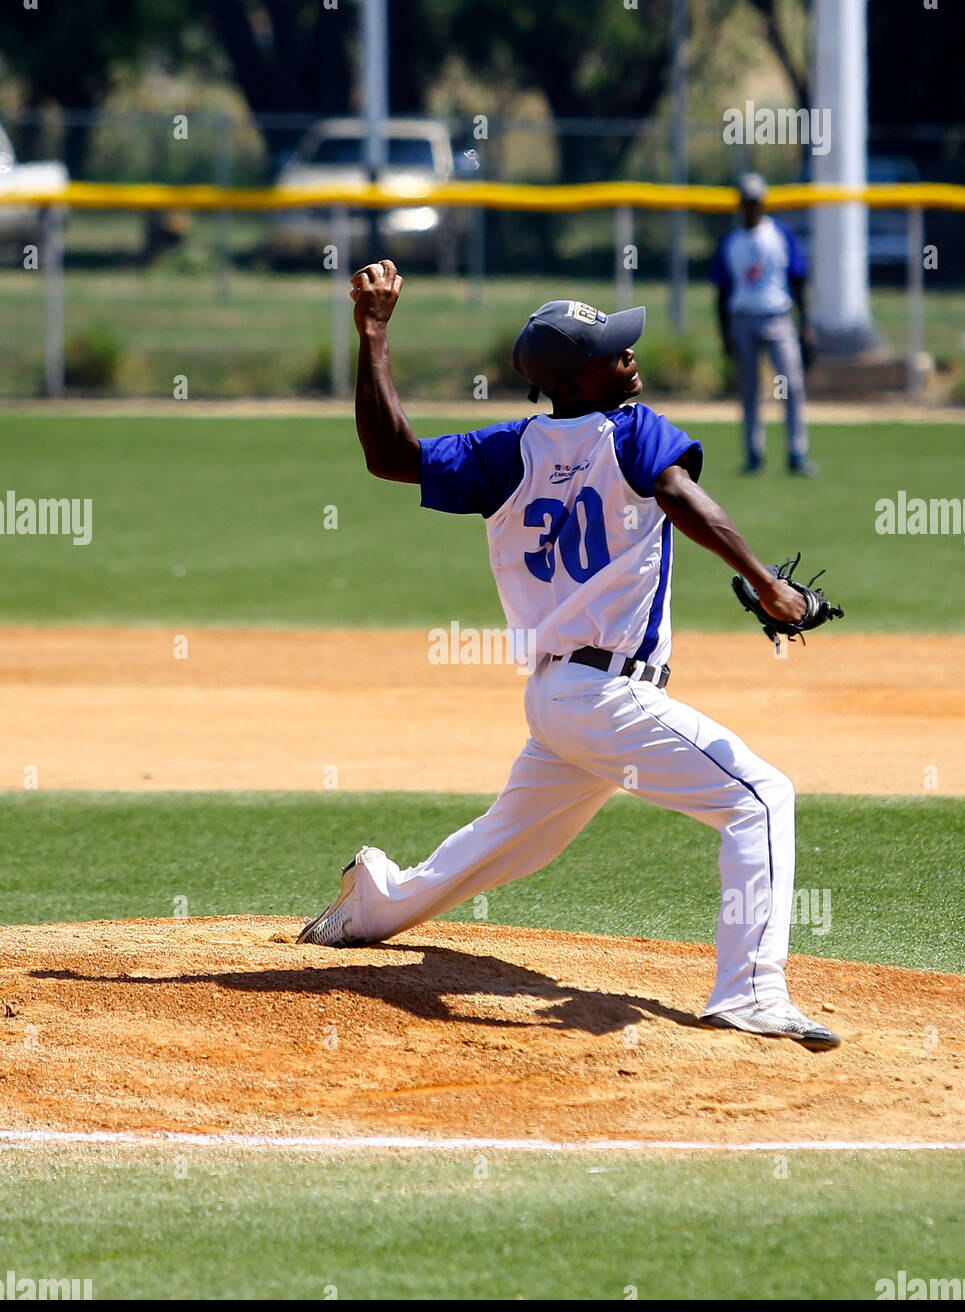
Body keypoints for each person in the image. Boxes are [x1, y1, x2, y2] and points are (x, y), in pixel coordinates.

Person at [300, 259, 840, 1052]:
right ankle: (750, 995)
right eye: (615, 351)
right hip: (605, 699)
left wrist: (373, 334)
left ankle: (372, 903)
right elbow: (677, 494)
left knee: (508, 844)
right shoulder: (629, 428)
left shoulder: (508, 451)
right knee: (759, 798)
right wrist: (767, 585)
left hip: (560, 699)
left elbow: (390, 456)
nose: (631, 357)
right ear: (582, 379)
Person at [711, 172, 816, 476]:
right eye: (747, 202)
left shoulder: (780, 234)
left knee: (792, 385)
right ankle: (753, 453)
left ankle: (797, 452)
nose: (752, 208)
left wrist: (805, 322)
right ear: (740, 205)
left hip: (778, 316)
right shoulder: (731, 242)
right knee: (750, 390)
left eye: (756, 202)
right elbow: (722, 291)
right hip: (743, 318)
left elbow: (798, 279)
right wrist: (725, 334)